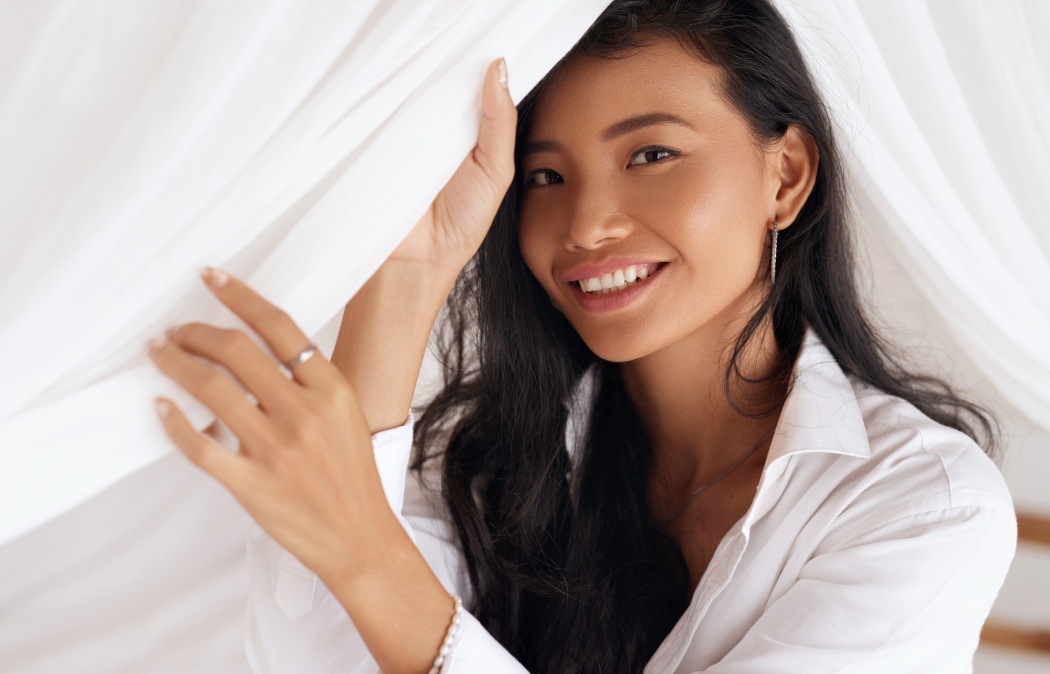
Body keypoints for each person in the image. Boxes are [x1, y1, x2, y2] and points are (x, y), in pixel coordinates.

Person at [155, 1, 1016, 672]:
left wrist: (366, 553)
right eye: (544, 175)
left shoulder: (924, 509)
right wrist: (402, 278)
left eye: (651, 156)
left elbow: (372, 585)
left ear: (785, 175)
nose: (588, 223)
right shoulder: (486, 465)